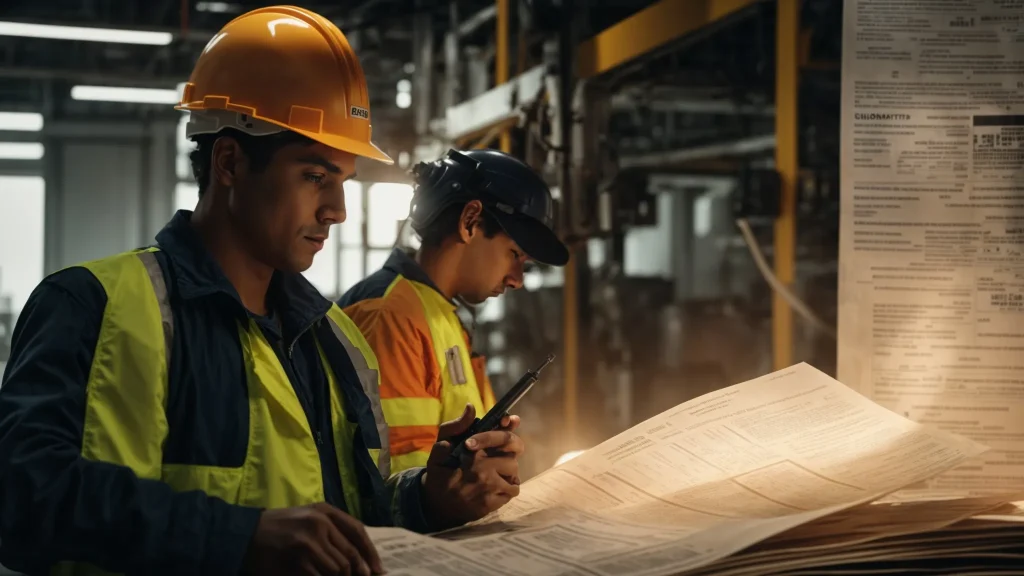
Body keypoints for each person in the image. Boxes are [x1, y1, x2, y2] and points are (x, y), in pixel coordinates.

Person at [0, 7, 523, 576]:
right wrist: (238, 537)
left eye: (343, 182)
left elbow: (351, 516)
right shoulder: (91, 305)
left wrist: (430, 497)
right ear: (229, 161)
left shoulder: (334, 339)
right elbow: (24, 500)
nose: (338, 211)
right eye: (314, 177)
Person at [338, 148, 570, 474]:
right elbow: (391, 483)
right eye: (514, 255)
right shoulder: (390, 316)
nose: (517, 280)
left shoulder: (438, 313)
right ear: (470, 221)